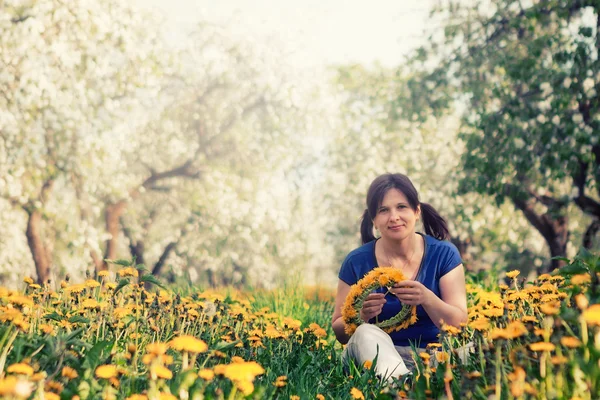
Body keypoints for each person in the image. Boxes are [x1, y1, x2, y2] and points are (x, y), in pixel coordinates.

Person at [331, 173, 468, 382]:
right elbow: (339, 331)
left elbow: (459, 325)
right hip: (377, 355)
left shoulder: (444, 254)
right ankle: (402, 390)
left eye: (401, 207)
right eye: (383, 210)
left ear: (416, 211)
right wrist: (360, 317)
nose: (394, 217)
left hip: (432, 356)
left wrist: (427, 298)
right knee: (365, 333)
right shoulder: (356, 262)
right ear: (374, 221)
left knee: (480, 350)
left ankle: (408, 385)